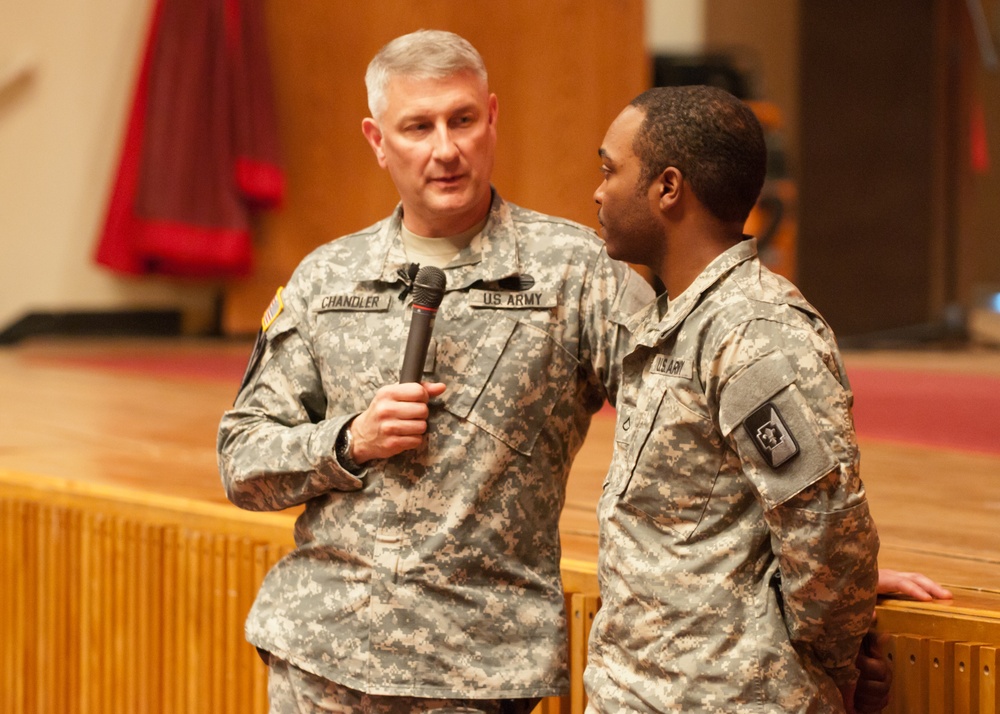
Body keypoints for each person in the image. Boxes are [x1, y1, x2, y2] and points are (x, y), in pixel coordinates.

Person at [217, 29, 653, 713]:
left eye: (463, 120)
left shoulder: (575, 272)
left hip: (476, 670)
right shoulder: (327, 277)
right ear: (377, 139)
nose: (445, 149)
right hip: (321, 658)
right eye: (417, 126)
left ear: (493, 119)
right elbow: (242, 460)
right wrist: (348, 441)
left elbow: (682, 426)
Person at [584, 84, 882, 713]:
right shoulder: (678, 322)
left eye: (611, 170)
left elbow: (827, 531)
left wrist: (829, 669)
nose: (599, 191)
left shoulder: (754, 334)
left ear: (668, 188)